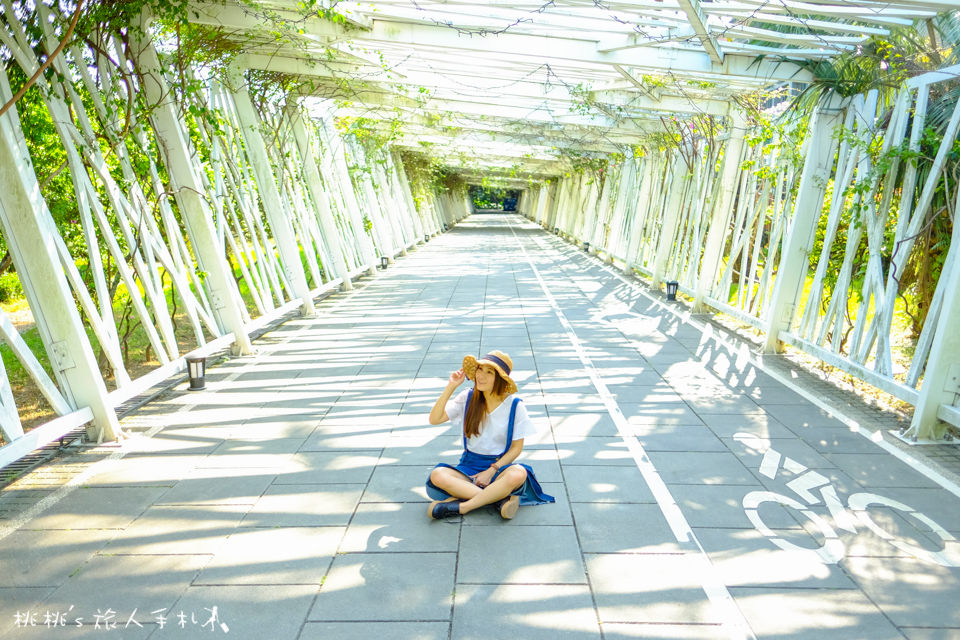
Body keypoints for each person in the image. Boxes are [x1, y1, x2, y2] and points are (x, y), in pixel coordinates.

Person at [425, 350, 555, 520]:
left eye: (489, 372)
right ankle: (498, 500)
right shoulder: (468, 397)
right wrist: (450, 386)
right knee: (438, 475)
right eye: (479, 370)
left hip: (499, 467)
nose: (481, 376)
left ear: (500, 379)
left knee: (518, 473)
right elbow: (435, 419)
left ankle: (463, 506)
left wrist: (491, 471)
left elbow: (516, 449)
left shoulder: (515, 406)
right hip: (469, 467)